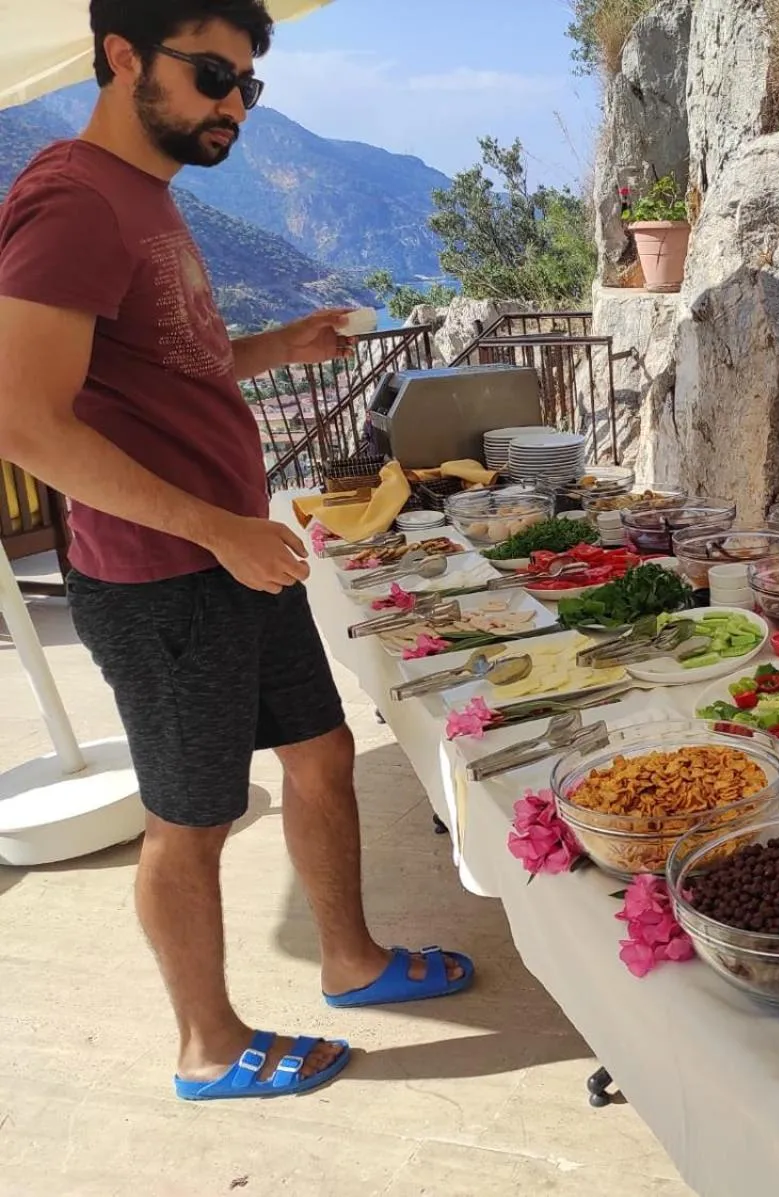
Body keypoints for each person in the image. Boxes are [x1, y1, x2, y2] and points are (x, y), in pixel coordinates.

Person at [0, 0, 473, 1102]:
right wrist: (217, 529)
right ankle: (207, 1046)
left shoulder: (144, 197)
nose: (234, 107)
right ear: (122, 58)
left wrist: (275, 347)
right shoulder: (70, 198)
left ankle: (349, 961)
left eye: (248, 87)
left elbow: (159, 373)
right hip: (163, 574)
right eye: (213, 76)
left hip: (231, 558)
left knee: (318, 755)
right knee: (192, 818)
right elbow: (24, 419)